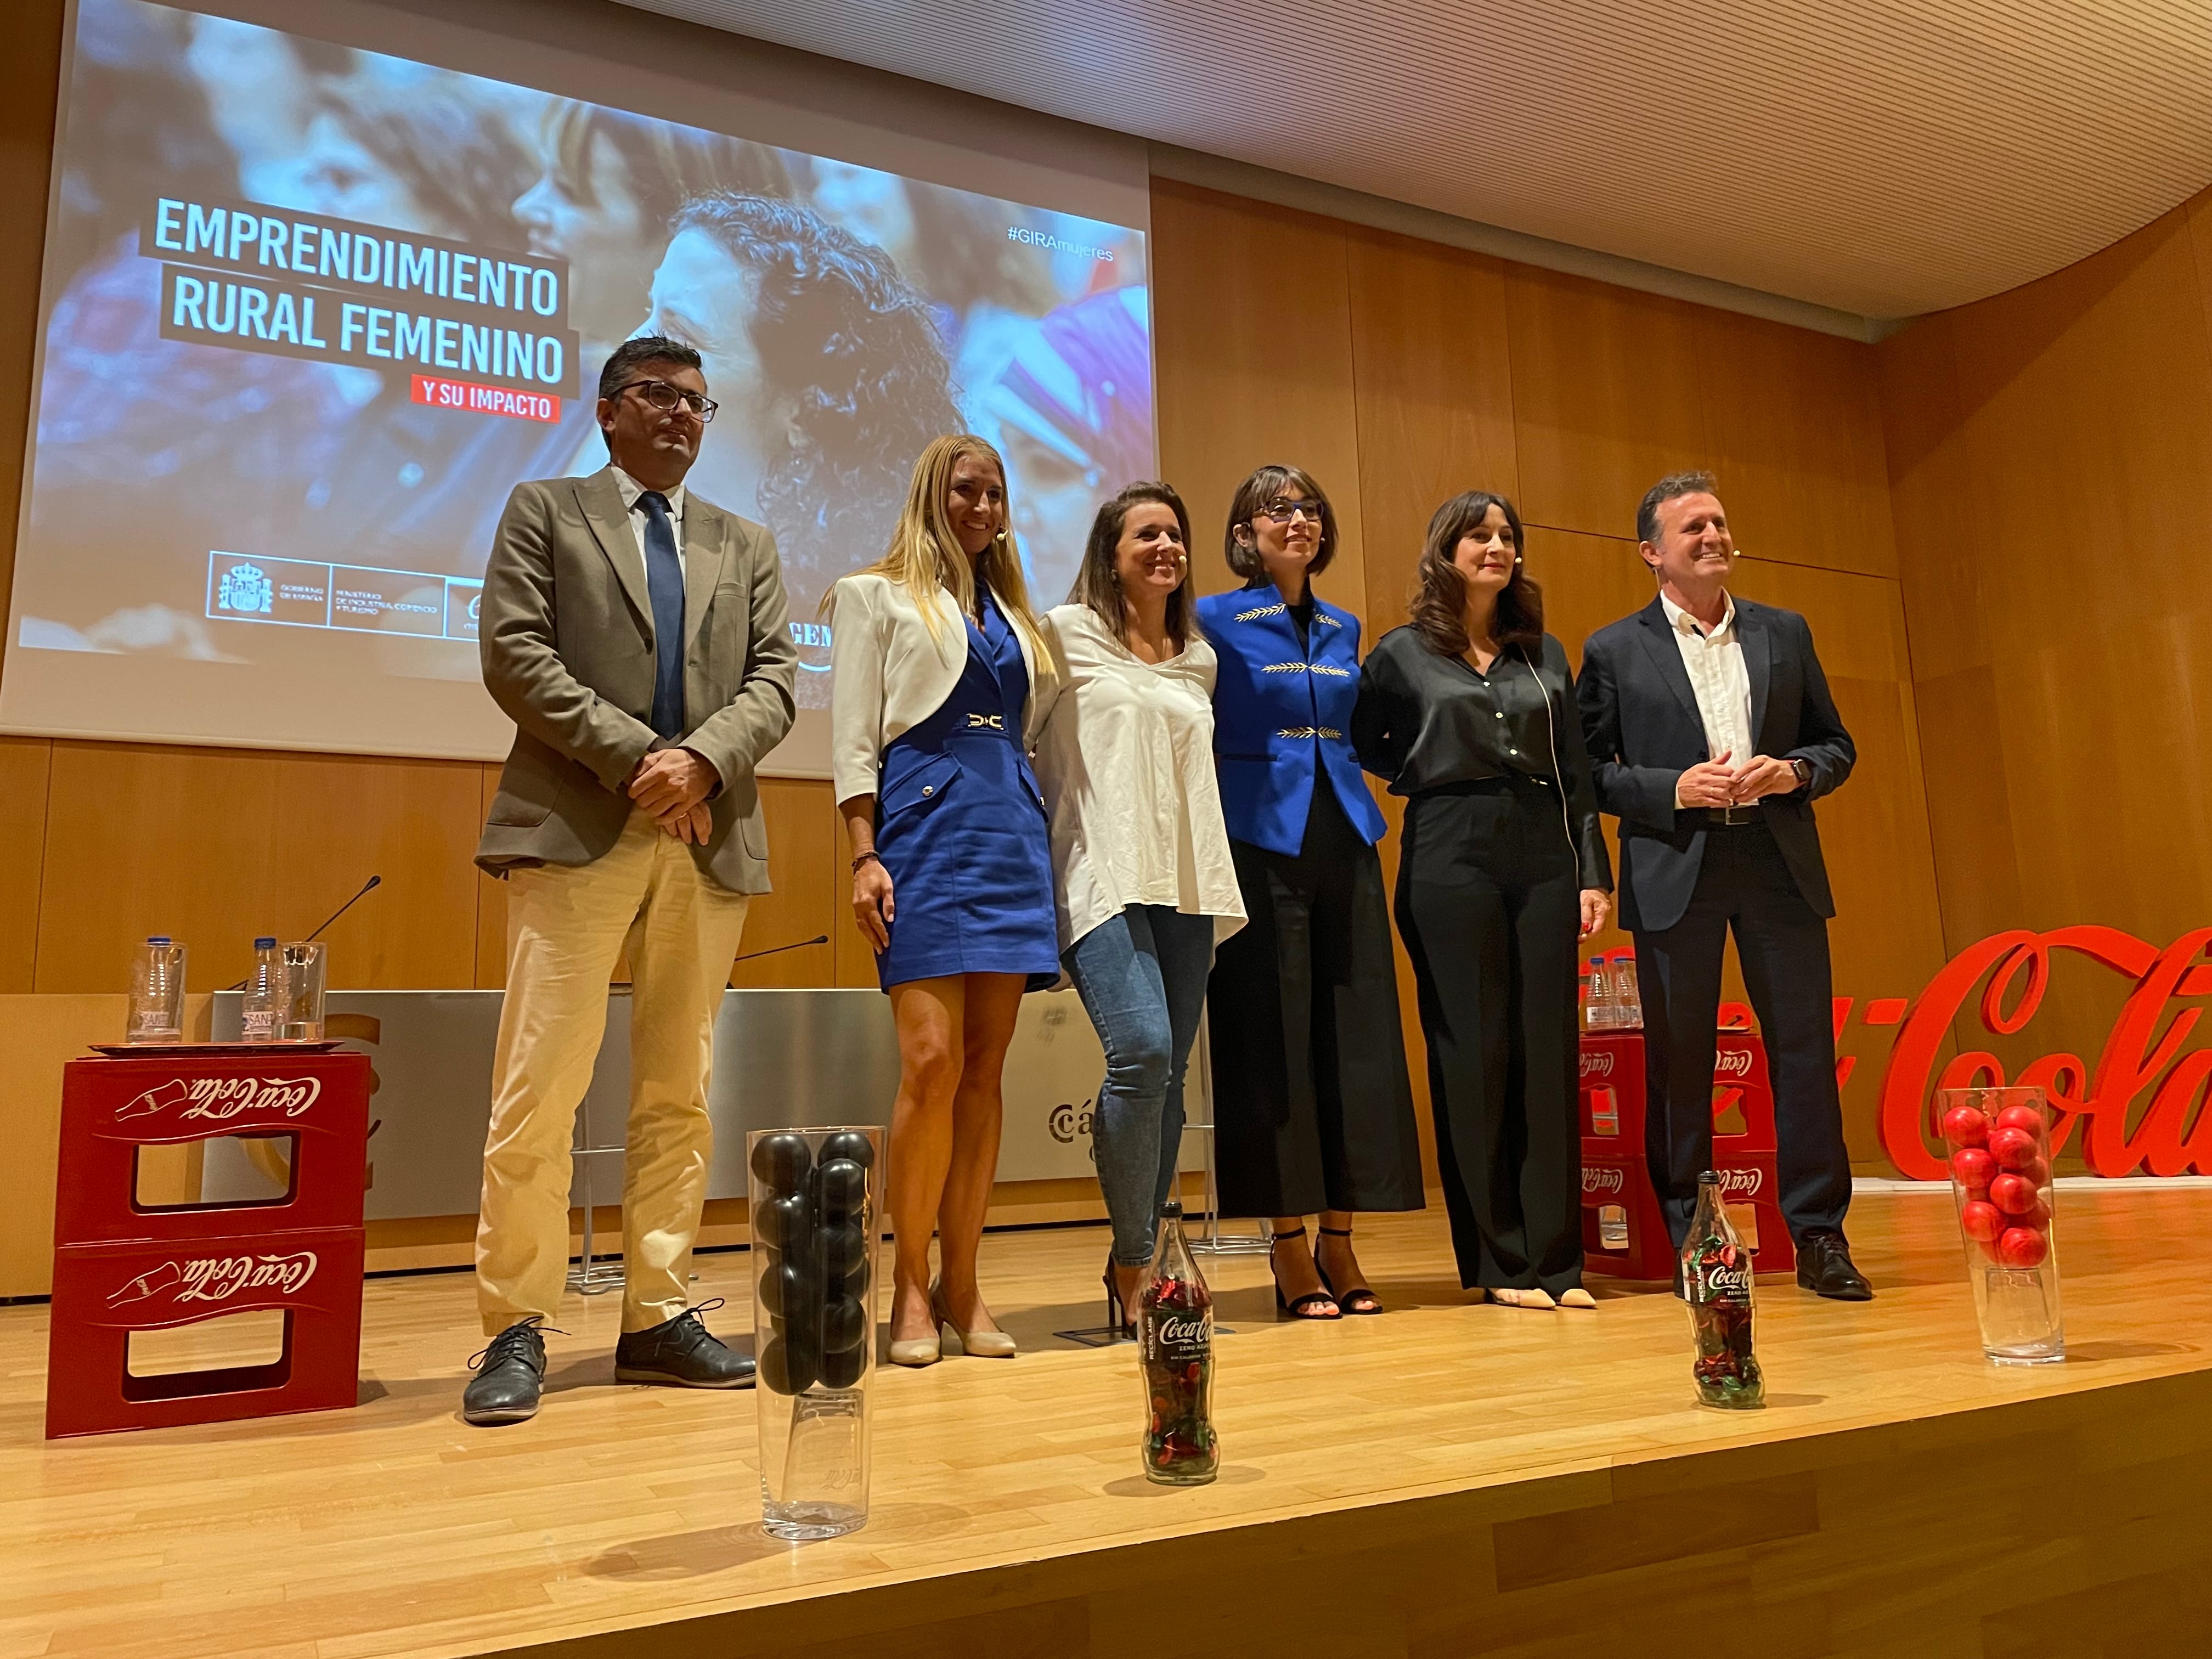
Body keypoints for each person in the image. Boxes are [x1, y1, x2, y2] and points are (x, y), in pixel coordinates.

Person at [462, 334, 799, 1424]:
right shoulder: (546, 511)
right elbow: (517, 654)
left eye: (700, 403)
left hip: (706, 836)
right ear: (608, 411)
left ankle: (657, 1313)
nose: (682, 416)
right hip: (575, 828)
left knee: (679, 1094)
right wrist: (639, 760)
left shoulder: (744, 543)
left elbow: (777, 679)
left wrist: (698, 762)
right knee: (540, 1088)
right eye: (658, 396)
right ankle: (514, 1324)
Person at [1575, 471, 1869, 1300]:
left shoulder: (1785, 631)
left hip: (1779, 866)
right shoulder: (1612, 649)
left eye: (1720, 522)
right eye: (1693, 527)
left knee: (1805, 1056)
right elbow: (1589, 772)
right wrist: (1672, 787)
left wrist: (1798, 772)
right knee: (1680, 1063)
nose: (1713, 536)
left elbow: (1836, 743)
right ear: (1652, 552)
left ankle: (1819, 1237)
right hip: (1676, 868)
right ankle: (1694, 1241)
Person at [828, 435, 1059, 1365]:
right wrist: (862, 853)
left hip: (1010, 829)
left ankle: (966, 1284)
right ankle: (911, 1285)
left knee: (985, 1068)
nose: (981, 505)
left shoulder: (1017, 613)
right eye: (965, 489)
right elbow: (852, 736)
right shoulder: (869, 594)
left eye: (994, 492)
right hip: (920, 830)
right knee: (928, 1060)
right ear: (933, 494)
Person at [1355, 492, 1613, 1310]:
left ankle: (1557, 1261)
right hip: (1447, 848)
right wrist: (1425, 771)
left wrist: (1593, 873)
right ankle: (1501, 1263)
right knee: (1475, 1054)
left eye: (1508, 537)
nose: (1498, 547)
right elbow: (1369, 743)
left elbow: (1575, 771)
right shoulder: (1399, 654)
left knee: (1548, 1052)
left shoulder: (1545, 654)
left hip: (1543, 847)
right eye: (1480, 535)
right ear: (1446, 551)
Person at [1196, 465, 1425, 1320]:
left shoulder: (1343, 624)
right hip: (1258, 838)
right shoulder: (1211, 617)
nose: (1299, 521)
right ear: (1245, 531)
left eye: (1310, 509)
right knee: (1272, 1038)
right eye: (1278, 509)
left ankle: (1342, 1238)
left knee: (1356, 1034)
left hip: (1346, 836)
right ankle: (1287, 1245)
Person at [1032, 483, 1245, 1336]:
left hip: (1187, 879)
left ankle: (1153, 1255)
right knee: (1144, 1052)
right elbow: (1023, 743)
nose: (1165, 546)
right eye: (1146, 533)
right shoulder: (1063, 633)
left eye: (1175, 534)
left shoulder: (1200, 657)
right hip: (1097, 871)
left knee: (1168, 1073)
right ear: (1109, 550)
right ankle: (1133, 1255)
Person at [645, 192, 962, 698]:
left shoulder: (862, 607)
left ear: (803, 409)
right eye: (649, 312)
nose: (632, 349)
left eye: (680, 337)